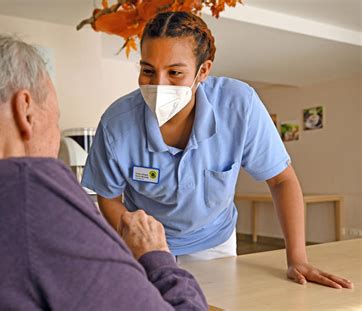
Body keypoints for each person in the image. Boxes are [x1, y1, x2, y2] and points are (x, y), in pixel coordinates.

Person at [0, 32, 208, 310]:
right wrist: (155, 255)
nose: (55, 136)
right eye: (54, 120)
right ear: (25, 110)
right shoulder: (29, 188)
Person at [81, 11, 353, 289]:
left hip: (214, 242)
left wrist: (297, 258)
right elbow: (109, 197)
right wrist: (140, 243)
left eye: (174, 72)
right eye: (148, 70)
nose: (159, 84)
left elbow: (281, 180)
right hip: (145, 245)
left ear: (203, 71)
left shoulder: (239, 106)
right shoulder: (117, 124)